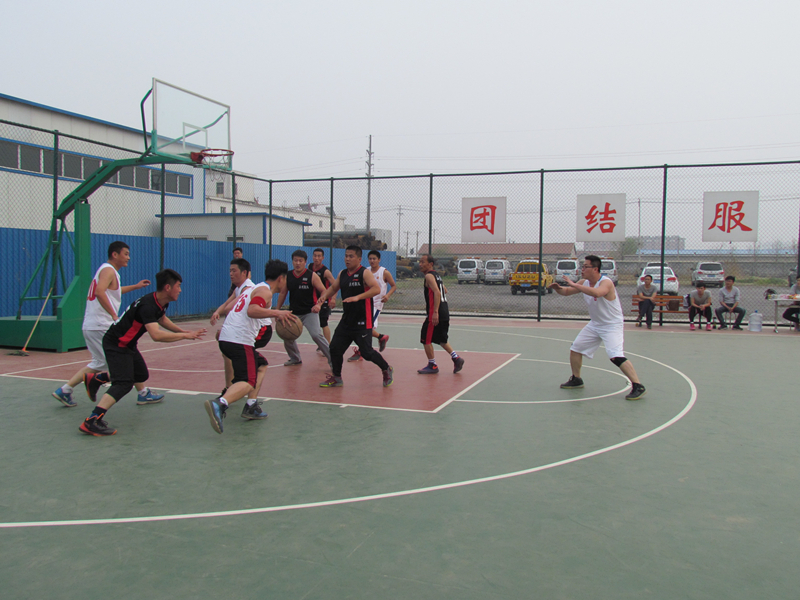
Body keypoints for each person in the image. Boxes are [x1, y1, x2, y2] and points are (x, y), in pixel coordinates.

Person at [78, 269, 207, 436]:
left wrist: (183, 331)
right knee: (123, 384)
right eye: (178, 286)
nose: (180, 290)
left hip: (127, 344)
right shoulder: (148, 305)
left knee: (140, 375)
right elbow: (156, 335)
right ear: (168, 287)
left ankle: (97, 379)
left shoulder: (160, 302)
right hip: (116, 343)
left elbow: (162, 319)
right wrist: (184, 336)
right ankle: (92, 420)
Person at [53, 241, 162, 407]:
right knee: (126, 356)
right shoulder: (108, 270)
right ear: (115, 254)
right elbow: (99, 292)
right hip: (102, 325)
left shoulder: (108, 271)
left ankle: (65, 390)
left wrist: (136, 286)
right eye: (126, 254)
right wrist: (113, 314)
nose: (128, 257)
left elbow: (113, 291)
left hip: (92, 325)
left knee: (99, 363)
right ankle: (142, 393)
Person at [205, 260, 299, 434]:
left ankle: (251, 405)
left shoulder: (255, 289)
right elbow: (252, 310)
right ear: (281, 278)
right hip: (239, 340)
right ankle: (220, 404)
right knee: (248, 381)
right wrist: (277, 313)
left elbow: (235, 308)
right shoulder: (264, 291)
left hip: (228, 338)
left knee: (261, 365)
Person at [549, 255, 646, 401]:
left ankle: (638, 385)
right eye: (582, 266)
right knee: (576, 349)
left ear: (595, 269)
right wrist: (558, 288)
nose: (582, 269)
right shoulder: (584, 282)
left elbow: (597, 293)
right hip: (595, 324)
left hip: (611, 325)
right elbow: (567, 291)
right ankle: (576, 379)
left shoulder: (606, 282)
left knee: (615, 356)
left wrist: (574, 284)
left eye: (585, 267)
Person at [313, 245, 394, 388]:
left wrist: (358, 297)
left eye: (351, 256)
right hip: (347, 320)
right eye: (346, 256)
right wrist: (324, 296)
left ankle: (386, 368)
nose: (347, 259)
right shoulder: (342, 273)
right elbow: (333, 288)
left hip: (363, 320)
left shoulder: (364, 273)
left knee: (367, 353)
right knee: (335, 348)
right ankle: (337, 377)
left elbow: (376, 289)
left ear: (359, 259)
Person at [275, 249, 332, 367]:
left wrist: (318, 305)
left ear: (305, 262)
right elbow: (283, 293)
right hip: (293, 312)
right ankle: (295, 358)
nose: (298, 263)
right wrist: (277, 310)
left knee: (316, 335)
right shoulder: (288, 276)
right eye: (295, 260)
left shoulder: (312, 275)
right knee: (287, 334)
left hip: (309, 312)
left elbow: (324, 291)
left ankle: (333, 359)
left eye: (300, 261)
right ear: (292, 261)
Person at [211, 258, 256, 394]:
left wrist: (226, 328)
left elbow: (229, 308)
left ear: (244, 273)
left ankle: (241, 390)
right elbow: (226, 304)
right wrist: (217, 312)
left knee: (252, 363)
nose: (231, 274)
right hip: (243, 330)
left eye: (234, 271)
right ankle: (231, 387)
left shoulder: (248, 288)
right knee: (228, 353)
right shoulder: (239, 288)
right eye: (230, 271)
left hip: (254, 331)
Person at [417, 254, 464, 374]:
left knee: (425, 338)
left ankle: (432, 365)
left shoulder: (429, 276)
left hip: (435, 313)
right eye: (419, 262)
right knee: (441, 339)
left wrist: (435, 312)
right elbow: (444, 290)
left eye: (423, 262)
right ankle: (456, 358)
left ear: (430, 264)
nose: (420, 264)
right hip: (445, 311)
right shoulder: (437, 276)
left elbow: (437, 293)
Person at [348, 250, 395, 361]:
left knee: (366, 328)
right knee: (362, 327)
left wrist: (387, 295)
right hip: (364, 303)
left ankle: (361, 351)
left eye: (374, 259)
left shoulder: (384, 272)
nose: (372, 261)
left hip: (376, 304)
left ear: (379, 260)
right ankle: (381, 337)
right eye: (370, 259)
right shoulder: (365, 271)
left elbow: (393, 286)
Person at [311, 248, 337, 344]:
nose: (316, 258)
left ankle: (328, 345)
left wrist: (333, 299)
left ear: (323, 258)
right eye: (315, 256)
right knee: (314, 324)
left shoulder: (325, 271)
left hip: (324, 301)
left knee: (323, 323)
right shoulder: (310, 267)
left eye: (319, 256)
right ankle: (321, 343)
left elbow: (335, 285)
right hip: (312, 300)